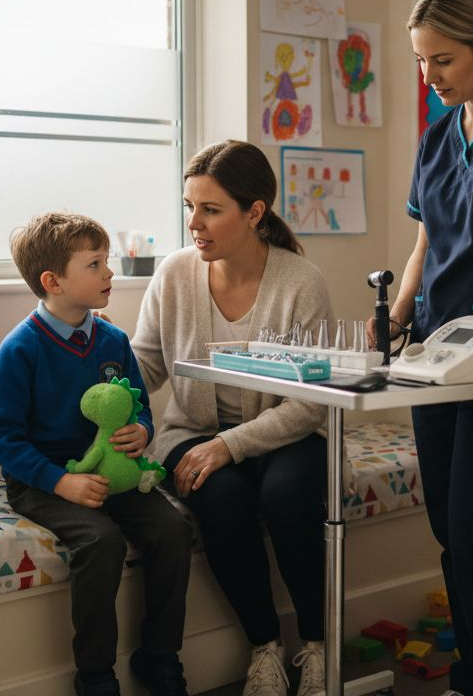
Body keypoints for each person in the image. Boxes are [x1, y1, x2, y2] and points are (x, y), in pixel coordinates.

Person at [368, 0, 473, 696]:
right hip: (435, 354)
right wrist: (399, 315)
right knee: (446, 528)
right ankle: (471, 672)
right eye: (421, 62)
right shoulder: (439, 135)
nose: (430, 77)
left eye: (443, 61)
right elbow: (428, 241)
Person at [132, 140, 332, 696]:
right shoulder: (174, 275)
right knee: (219, 496)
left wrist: (230, 446)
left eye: (210, 209)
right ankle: (264, 647)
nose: (194, 223)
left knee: (288, 495)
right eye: (188, 206)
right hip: (190, 431)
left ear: (254, 212)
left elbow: (311, 402)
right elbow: (143, 364)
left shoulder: (301, 282)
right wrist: (88, 384)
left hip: (286, 430)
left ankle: (315, 648)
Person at [0, 212, 192, 696]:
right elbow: (4, 439)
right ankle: (96, 675)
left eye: (107, 261)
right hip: (45, 479)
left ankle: (160, 657)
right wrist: (61, 482)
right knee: (100, 541)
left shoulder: (114, 341)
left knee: (172, 529)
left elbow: (139, 408)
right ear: (52, 281)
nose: (109, 273)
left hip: (115, 473)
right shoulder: (20, 350)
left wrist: (141, 433)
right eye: (95, 264)